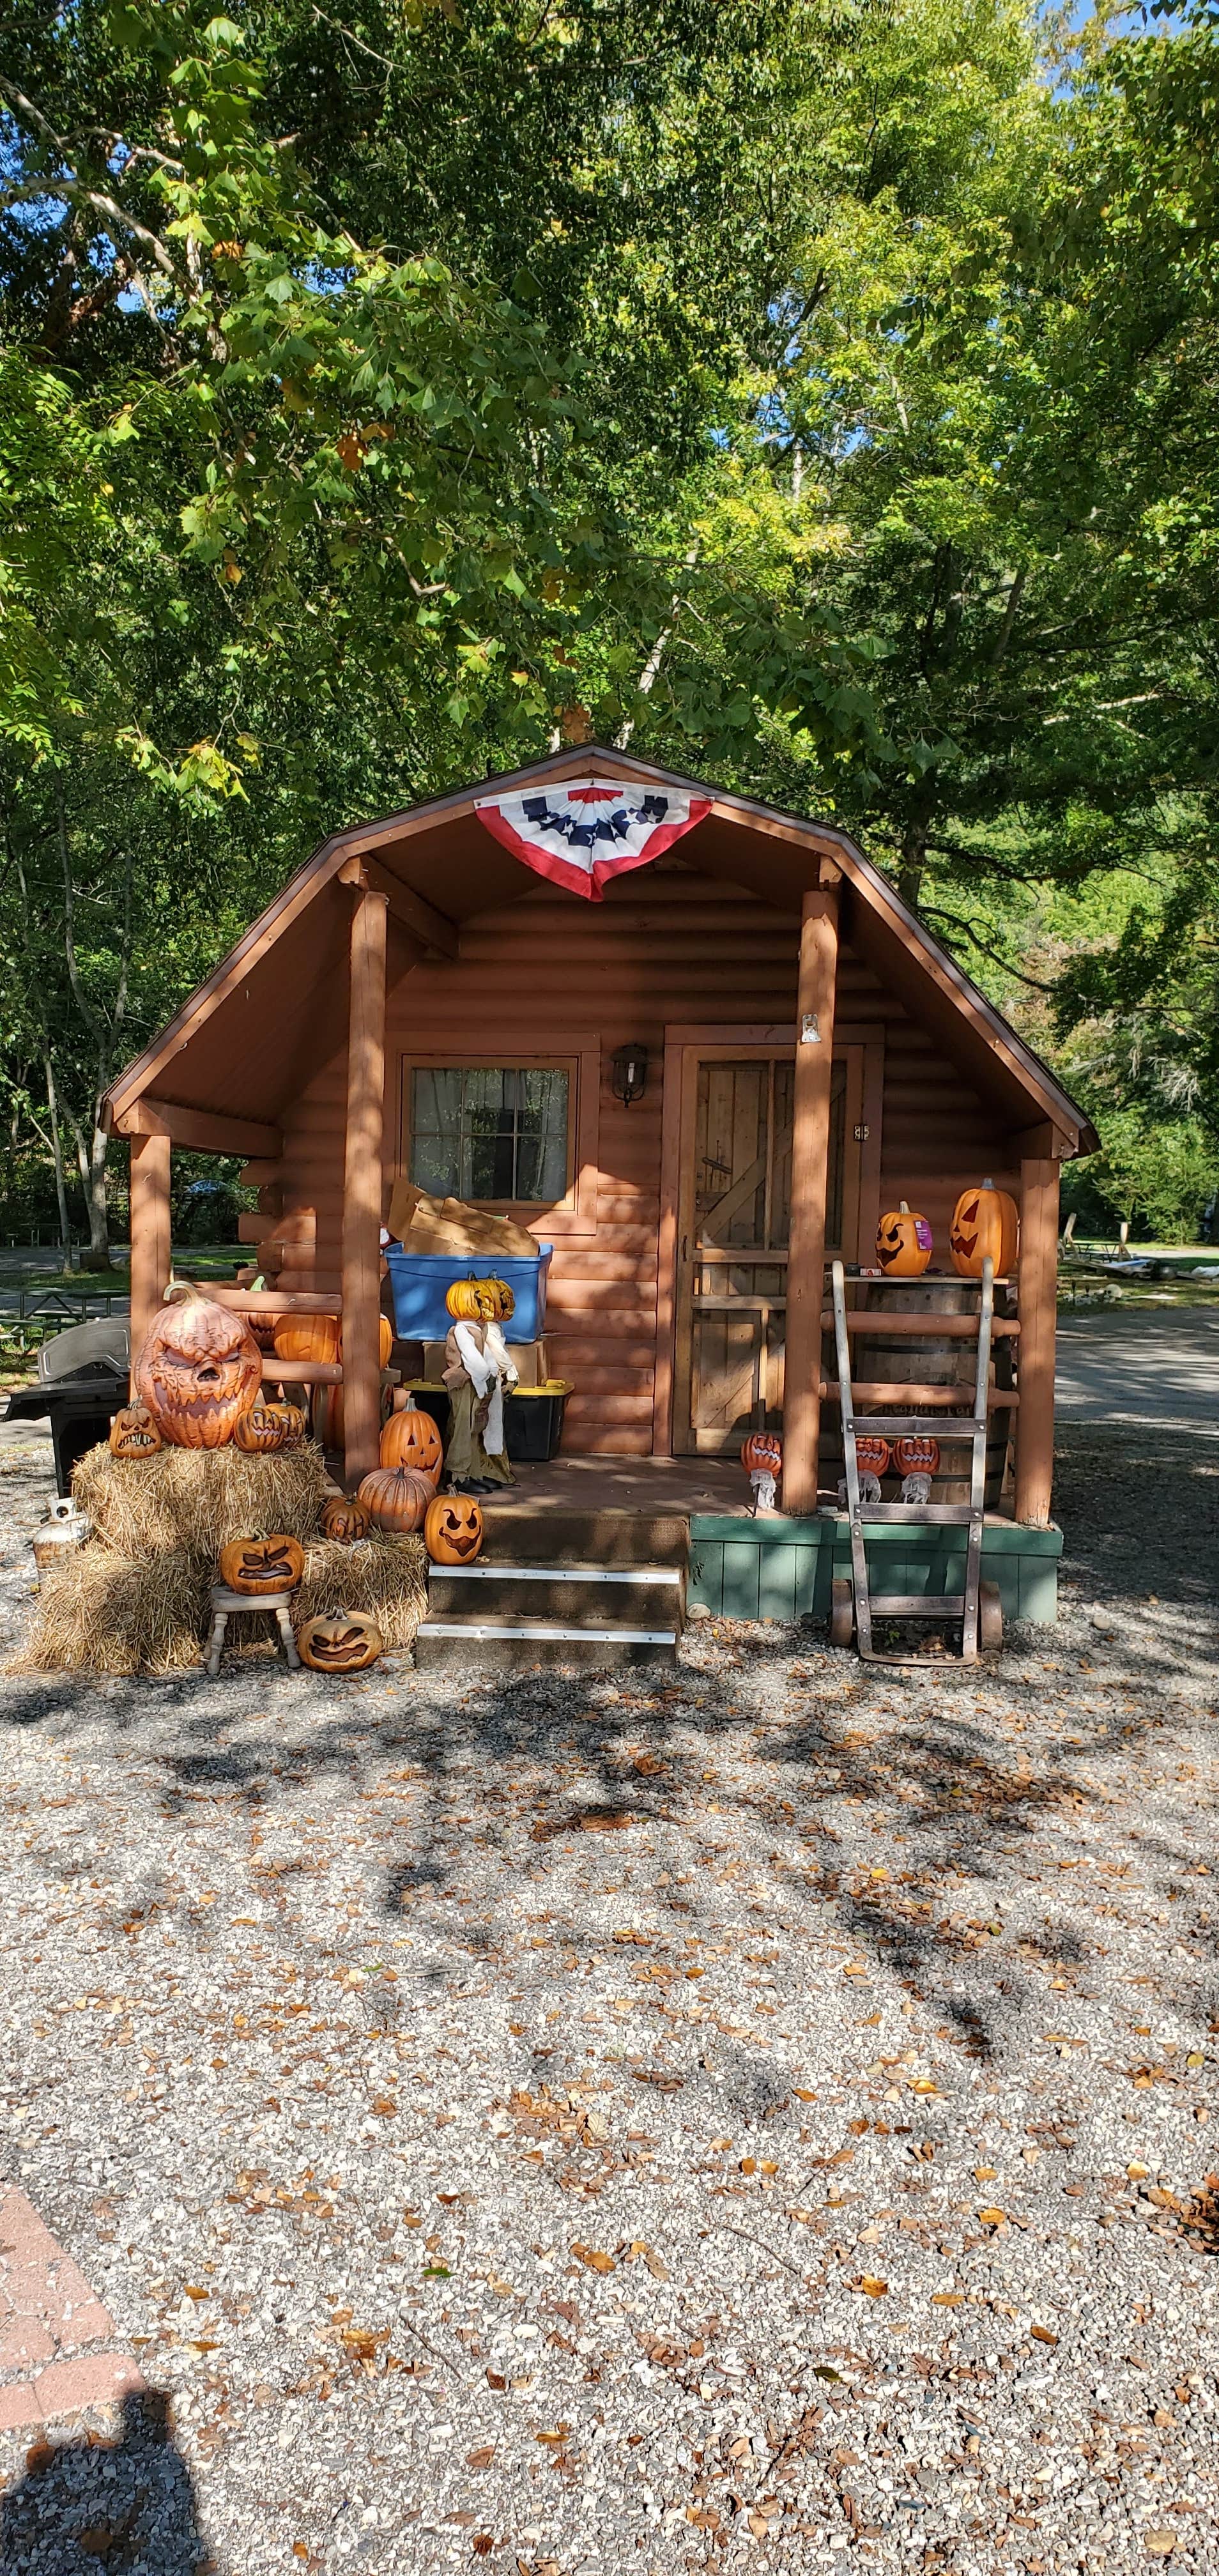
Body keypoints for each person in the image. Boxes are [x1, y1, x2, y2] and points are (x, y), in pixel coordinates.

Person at [441, 1278, 518, 1490]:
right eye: (480, 1301)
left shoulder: (479, 1328)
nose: (486, 1305)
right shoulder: (460, 1331)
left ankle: (475, 1472)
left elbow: (486, 1355)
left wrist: (490, 1376)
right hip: (464, 1383)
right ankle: (458, 1476)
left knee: (476, 1428)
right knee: (463, 1429)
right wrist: (485, 1380)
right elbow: (473, 1361)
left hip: (478, 1384)